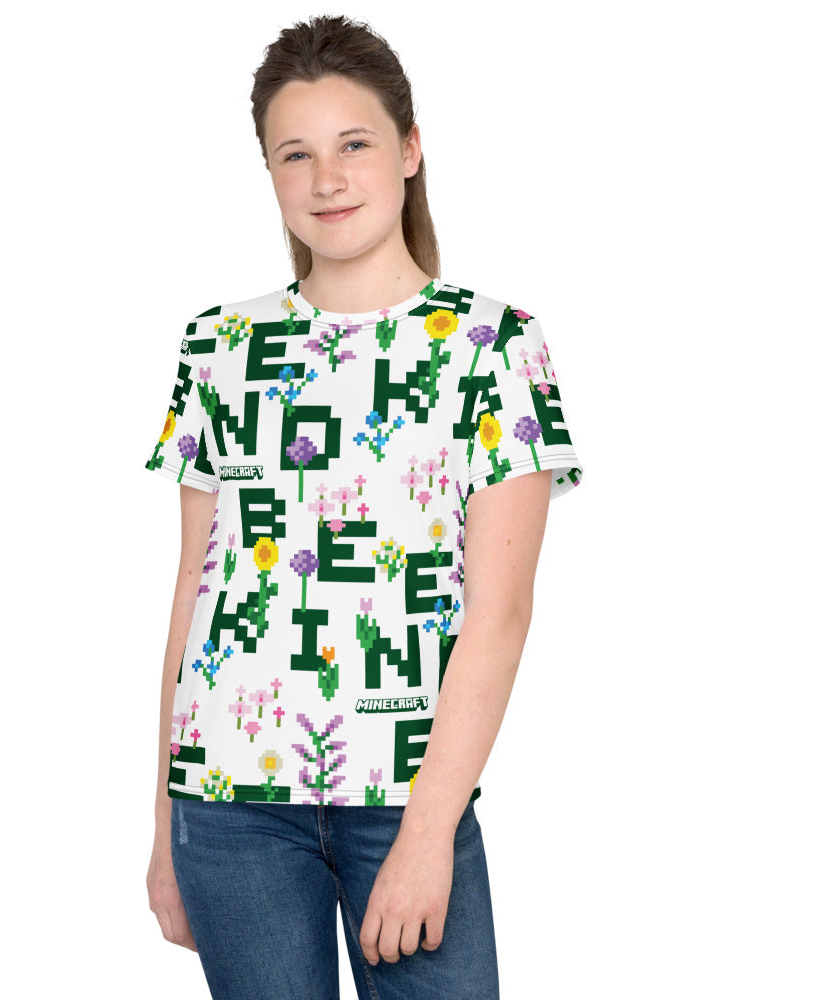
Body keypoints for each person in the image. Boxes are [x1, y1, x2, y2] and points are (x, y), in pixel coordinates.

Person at [144, 14, 584, 1000]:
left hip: (406, 795)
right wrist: (164, 823)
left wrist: (428, 833)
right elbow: (194, 592)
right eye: (294, 154)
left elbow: (500, 611)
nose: (327, 178)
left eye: (354, 144)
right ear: (269, 172)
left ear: (410, 150)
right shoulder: (219, 345)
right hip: (229, 802)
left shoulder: (490, 346)